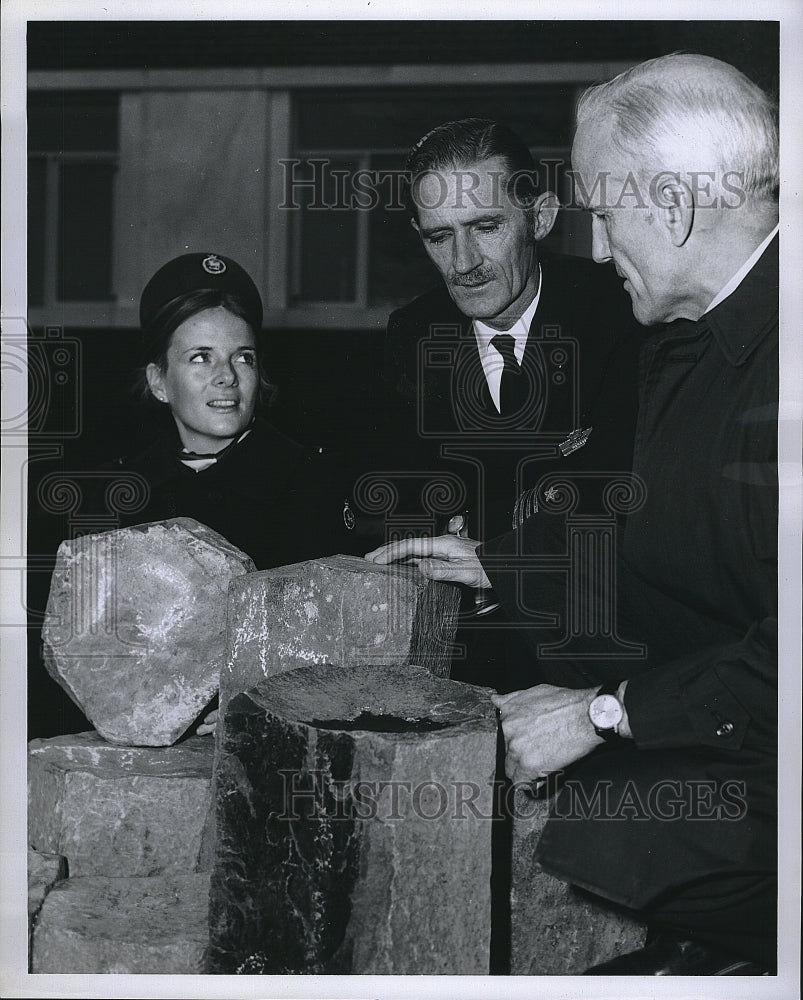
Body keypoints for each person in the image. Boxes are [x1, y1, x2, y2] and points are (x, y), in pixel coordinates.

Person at [367, 53, 778, 975]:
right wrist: (501, 564)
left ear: (670, 205)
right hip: (724, 713)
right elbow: (656, 515)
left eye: (601, 210)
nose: (594, 249)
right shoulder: (698, 337)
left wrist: (605, 714)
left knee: (602, 831)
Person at [380, 118, 643, 690]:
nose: (464, 262)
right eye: (439, 236)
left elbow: (631, 512)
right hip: (463, 661)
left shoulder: (621, 314)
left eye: (486, 226)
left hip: (593, 660)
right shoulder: (413, 334)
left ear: (540, 217)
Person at [107, 252, 364, 734]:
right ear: (159, 381)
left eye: (241, 357)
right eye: (200, 357)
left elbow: (338, 644)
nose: (226, 376)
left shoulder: (311, 483)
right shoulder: (124, 492)